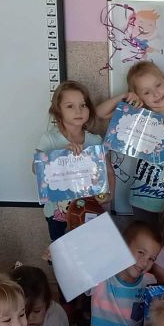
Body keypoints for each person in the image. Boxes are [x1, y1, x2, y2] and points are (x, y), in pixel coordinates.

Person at [97, 60, 164, 228]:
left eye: (158, 85)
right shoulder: (137, 114)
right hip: (140, 198)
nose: (155, 93)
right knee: (144, 239)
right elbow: (100, 113)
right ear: (138, 96)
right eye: (146, 92)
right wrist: (124, 97)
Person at [36, 80, 107, 242]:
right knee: (63, 252)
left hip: (89, 209)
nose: (78, 111)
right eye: (70, 106)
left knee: (90, 248)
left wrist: (108, 194)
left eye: (83, 105)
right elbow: (36, 169)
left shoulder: (95, 140)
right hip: (58, 213)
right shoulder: (50, 139)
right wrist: (60, 155)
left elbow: (107, 171)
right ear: (58, 111)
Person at [88, 221, 161, 326]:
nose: (145, 262)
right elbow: (74, 271)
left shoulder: (150, 282)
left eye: (151, 259)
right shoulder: (101, 275)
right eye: (141, 252)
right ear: (122, 247)